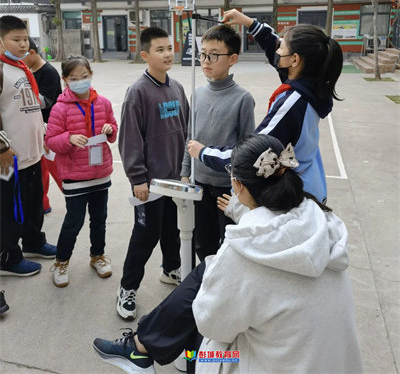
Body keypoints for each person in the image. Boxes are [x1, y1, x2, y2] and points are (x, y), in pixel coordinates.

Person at [92, 133, 363, 374]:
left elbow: (210, 324)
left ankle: (143, 348)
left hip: (268, 364)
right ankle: (142, 346)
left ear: (237, 185)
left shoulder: (243, 253)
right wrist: (243, 211)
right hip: (334, 362)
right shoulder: (322, 221)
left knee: (197, 342)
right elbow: (279, 228)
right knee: (207, 274)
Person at [188, 9, 343, 203]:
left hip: (297, 195)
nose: (277, 51)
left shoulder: (292, 103)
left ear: (295, 59)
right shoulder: (310, 84)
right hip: (311, 182)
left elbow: (251, 154)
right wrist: (248, 22)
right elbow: (273, 45)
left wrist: (203, 152)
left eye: (282, 48)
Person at [117, 26, 189, 320]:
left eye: (169, 48)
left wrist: (186, 170)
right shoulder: (137, 92)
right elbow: (129, 139)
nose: (168, 54)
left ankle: (171, 269)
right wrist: (138, 179)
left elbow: (186, 132)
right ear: (146, 55)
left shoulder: (177, 88)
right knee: (145, 235)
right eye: (160, 50)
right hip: (149, 183)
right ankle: (127, 288)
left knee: (172, 228)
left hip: (175, 179)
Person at [180, 24, 255, 260]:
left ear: (233, 59)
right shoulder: (197, 93)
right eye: (202, 54)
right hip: (199, 183)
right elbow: (190, 136)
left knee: (228, 246)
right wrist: (185, 172)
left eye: (213, 55)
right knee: (202, 243)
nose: (206, 61)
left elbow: (246, 148)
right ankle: (205, 280)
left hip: (227, 189)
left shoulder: (243, 99)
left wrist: (241, 188)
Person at [45, 55, 118, 287]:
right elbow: (51, 140)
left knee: (99, 219)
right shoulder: (59, 108)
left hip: (100, 174)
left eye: (84, 76)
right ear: (65, 80)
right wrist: (69, 138)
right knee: (73, 222)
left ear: (91, 75)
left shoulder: (104, 103)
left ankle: (97, 256)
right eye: (74, 78)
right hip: (75, 177)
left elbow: (113, 129)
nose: (80, 82)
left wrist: (109, 130)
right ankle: (61, 262)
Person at [0, 16, 56, 278]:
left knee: (33, 202)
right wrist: (2, 148)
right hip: (8, 159)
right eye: (16, 39)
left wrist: (41, 133)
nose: (23, 44)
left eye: (25, 39)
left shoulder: (21, 67)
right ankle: (8, 257)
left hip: (32, 153)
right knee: (9, 208)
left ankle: (33, 242)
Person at [24, 37, 62, 213]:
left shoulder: (48, 72)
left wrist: (24, 94)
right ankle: (43, 203)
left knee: (57, 169)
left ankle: (74, 197)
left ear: (32, 53)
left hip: (50, 129)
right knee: (41, 170)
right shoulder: (29, 71)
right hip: (36, 129)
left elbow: (47, 102)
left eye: (22, 56)